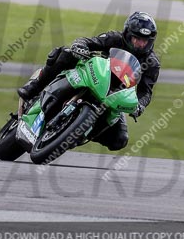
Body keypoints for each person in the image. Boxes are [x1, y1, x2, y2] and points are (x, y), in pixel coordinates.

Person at [17, 11, 160, 151]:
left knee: (120, 140)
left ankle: (81, 131)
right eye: (137, 38)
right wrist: (80, 46)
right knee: (66, 53)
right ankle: (35, 87)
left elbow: (145, 91)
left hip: (115, 95)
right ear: (128, 34)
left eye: (145, 41)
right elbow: (88, 41)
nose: (141, 44)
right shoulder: (115, 38)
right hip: (96, 74)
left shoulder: (151, 63)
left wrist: (140, 106)